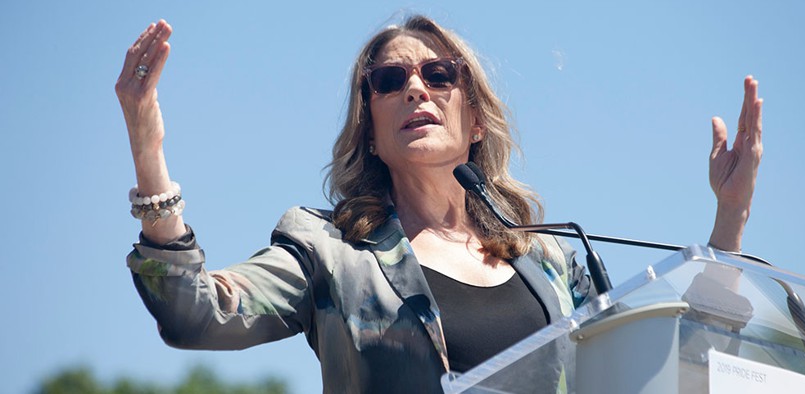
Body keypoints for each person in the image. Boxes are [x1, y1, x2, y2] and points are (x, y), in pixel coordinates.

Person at [116, 15, 763, 393]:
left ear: (475, 118)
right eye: (390, 81)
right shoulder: (330, 252)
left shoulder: (547, 258)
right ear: (369, 125)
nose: (415, 89)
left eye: (439, 74)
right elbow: (193, 314)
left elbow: (665, 369)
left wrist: (729, 217)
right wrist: (150, 152)